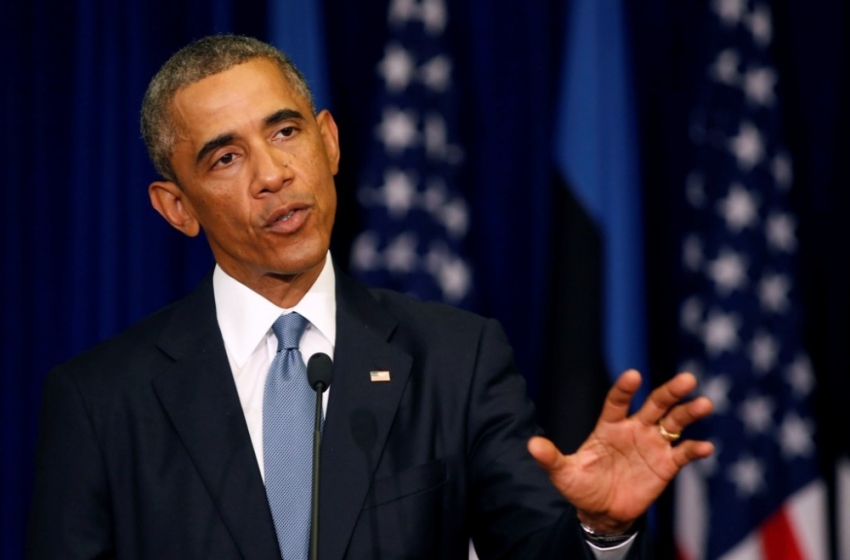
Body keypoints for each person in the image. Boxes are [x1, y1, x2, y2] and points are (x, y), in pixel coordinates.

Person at [27, 35, 713, 560]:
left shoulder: (455, 359)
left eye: (285, 131)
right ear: (177, 207)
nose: (272, 174)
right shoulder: (100, 401)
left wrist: (601, 529)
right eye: (226, 157)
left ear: (328, 142)